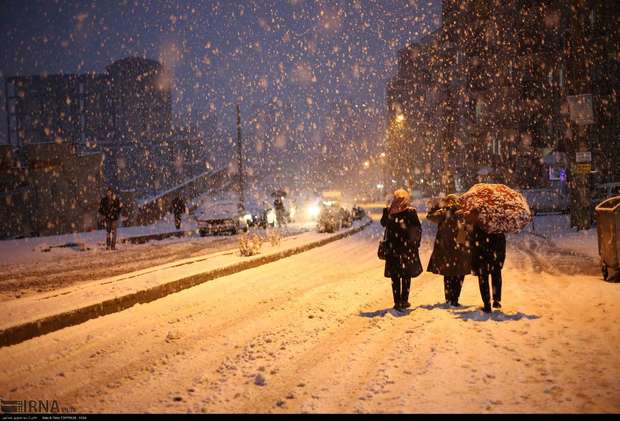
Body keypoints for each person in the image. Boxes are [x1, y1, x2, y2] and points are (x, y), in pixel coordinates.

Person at [380, 188, 423, 311]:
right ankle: (404, 300)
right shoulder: (410, 212)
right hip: (406, 249)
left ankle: (397, 301)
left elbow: (383, 223)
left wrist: (389, 212)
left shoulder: (389, 211)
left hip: (393, 249)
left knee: (395, 276)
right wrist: (415, 244)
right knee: (406, 275)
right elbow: (417, 229)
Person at [426, 194, 471, 307]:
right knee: (459, 274)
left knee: (448, 273)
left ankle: (448, 298)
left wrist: (434, 208)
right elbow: (470, 228)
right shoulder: (463, 213)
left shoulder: (444, 212)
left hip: (446, 248)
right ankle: (455, 298)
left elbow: (430, 216)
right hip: (461, 248)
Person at [467, 208, 506, 313]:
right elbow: (502, 242)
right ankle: (496, 300)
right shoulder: (497, 222)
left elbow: (472, 241)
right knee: (496, 277)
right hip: (495, 256)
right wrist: (501, 257)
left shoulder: (478, 223)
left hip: (482, 257)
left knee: (483, 280)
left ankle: (487, 304)